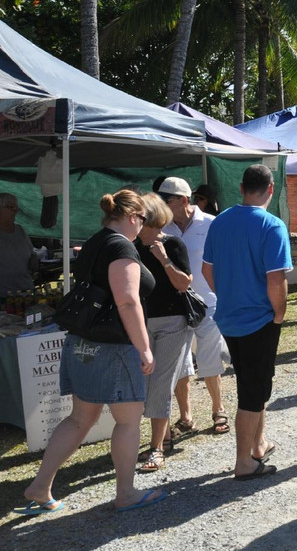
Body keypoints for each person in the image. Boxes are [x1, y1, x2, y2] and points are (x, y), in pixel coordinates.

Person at [16, 190, 166, 515]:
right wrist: (144, 348)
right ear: (131, 216)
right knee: (128, 421)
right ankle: (125, 493)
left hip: (81, 341)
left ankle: (40, 486)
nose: (142, 226)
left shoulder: (96, 241)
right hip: (113, 347)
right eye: (142, 220)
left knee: (79, 418)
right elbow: (127, 301)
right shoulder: (122, 247)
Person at [202, 164, 292, 479]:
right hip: (258, 320)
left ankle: (258, 446)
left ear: (241, 188)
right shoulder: (272, 225)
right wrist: (279, 314)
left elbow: (207, 271)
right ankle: (244, 462)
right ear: (271, 189)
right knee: (253, 393)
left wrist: (229, 294)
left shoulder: (220, 222)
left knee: (254, 384)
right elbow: (276, 279)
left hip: (229, 317)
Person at [160, 177, 229, 438]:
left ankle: (218, 409)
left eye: (167, 201)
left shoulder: (212, 223)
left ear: (183, 200)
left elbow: (223, 262)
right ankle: (186, 416)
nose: (163, 205)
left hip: (208, 301)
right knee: (180, 362)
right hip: (176, 304)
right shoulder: (162, 227)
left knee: (210, 357)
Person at [135, 193, 194, 474]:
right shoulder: (129, 246)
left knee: (160, 382)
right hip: (141, 324)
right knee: (146, 383)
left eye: (138, 215)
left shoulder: (172, 243)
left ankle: (156, 447)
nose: (133, 219)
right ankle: (164, 436)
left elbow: (183, 285)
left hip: (173, 322)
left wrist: (164, 260)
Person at [0, 192, 37, 295]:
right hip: (3, 295)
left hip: (26, 291)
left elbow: (32, 253)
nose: (15, 211)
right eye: (10, 207)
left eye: (16, 208)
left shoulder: (20, 230)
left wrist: (34, 260)